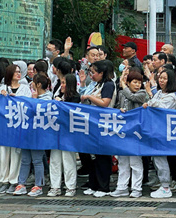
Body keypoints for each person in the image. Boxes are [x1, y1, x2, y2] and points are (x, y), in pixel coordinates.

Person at [80, 60, 117, 197]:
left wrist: (90, 97)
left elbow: (105, 102)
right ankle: (93, 184)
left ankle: (103, 187)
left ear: (102, 73)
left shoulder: (108, 85)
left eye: (93, 72)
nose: (91, 75)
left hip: (104, 123)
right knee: (94, 155)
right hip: (94, 123)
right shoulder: (97, 84)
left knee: (103, 156)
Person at [111, 69, 149, 198]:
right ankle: (122, 187)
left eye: (139, 82)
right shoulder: (122, 93)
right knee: (123, 161)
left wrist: (123, 84)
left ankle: (136, 188)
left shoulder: (142, 93)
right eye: (134, 82)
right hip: (123, 131)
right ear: (129, 82)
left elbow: (132, 97)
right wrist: (119, 110)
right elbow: (117, 106)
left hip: (136, 133)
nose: (138, 85)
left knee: (135, 161)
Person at [12, 74, 52, 197]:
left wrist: (34, 100)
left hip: (39, 134)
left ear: (38, 84)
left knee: (37, 160)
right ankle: (21, 184)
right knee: (25, 159)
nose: (32, 84)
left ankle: (38, 185)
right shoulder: (31, 95)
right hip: (27, 132)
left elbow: (40, 112)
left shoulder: (47, 98)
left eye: (34, 82)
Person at [145, 68, 176, 198]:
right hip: (155, 129)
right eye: (160, 78)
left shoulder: (172, 96)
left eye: (165, 78)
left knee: (161, 158)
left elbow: (160, 107)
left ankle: (166, 186)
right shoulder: (160, 92)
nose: (161, 81)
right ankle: (163, 183)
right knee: (157, 158)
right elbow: (151, 103)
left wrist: (150, 94)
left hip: (164, 131)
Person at [0, 63, 31, 194]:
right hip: (4, 127)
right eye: (15, 72)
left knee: (16, 154)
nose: (18, 74)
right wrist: (1, 97)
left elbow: (29, 104)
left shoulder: (25, 89)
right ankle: (3, 181)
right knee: (3, 154)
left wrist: (18, 99)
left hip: (18, 126)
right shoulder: (1, 88)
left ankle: (14, 181)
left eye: (19, 71)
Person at [49, 74, 81, 197]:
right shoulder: (58, 95)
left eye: (64, 83)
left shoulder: (75, 97)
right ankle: (55, 186)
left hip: (69, 134)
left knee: (68, 160)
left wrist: (60, 103)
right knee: (55, 160)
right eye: (61, 83)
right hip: (56, 132)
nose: (61, 86)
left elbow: (71, 112)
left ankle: (70, 186)